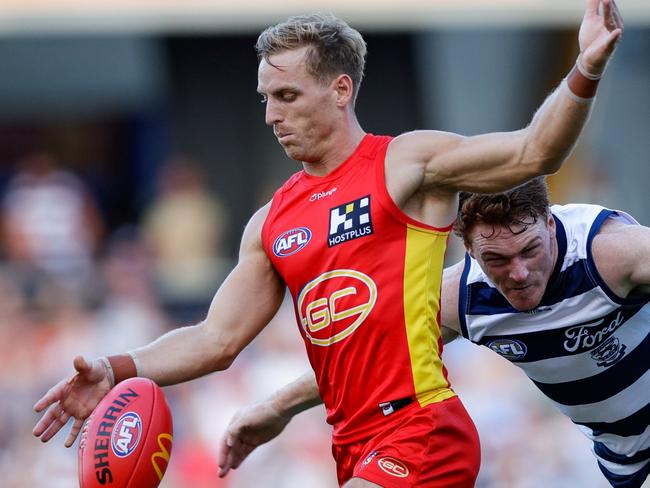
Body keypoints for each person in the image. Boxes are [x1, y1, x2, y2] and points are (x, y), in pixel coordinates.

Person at [33, 4, 623, 486]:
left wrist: (586, 69)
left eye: (286, 96)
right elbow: (216, 340)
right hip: (353, 448)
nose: (270, 115)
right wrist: (117, 367)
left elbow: (533, 153)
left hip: (421, 430)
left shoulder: (407, 163)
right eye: (265, 97)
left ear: (340, 89)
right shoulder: (270, 221)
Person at [218, 177, 650, 488]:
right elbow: (364, 362)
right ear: (466, 248)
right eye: (496, 258)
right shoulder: (457, 298)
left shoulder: (613, 253)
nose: (518, 273)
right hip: (618, 458)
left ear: (551, 225)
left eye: (530, 249)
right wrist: (275, 408)